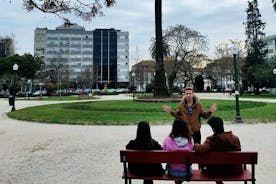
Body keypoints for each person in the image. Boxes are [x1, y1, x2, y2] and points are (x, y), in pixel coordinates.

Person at [194, 116, 243, 184]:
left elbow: (201, 150)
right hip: (234, 170)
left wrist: (196, 144)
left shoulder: (212, 140)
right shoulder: (235, 138)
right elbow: (238, 150)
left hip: (215, 171)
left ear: (213, 128)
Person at [163, 119, 193, 184]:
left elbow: (164, 155)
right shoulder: (189, 140)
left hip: (172, 172)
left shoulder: (167, 140)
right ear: (185, 128)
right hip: (186, 173)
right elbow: (190, 161)